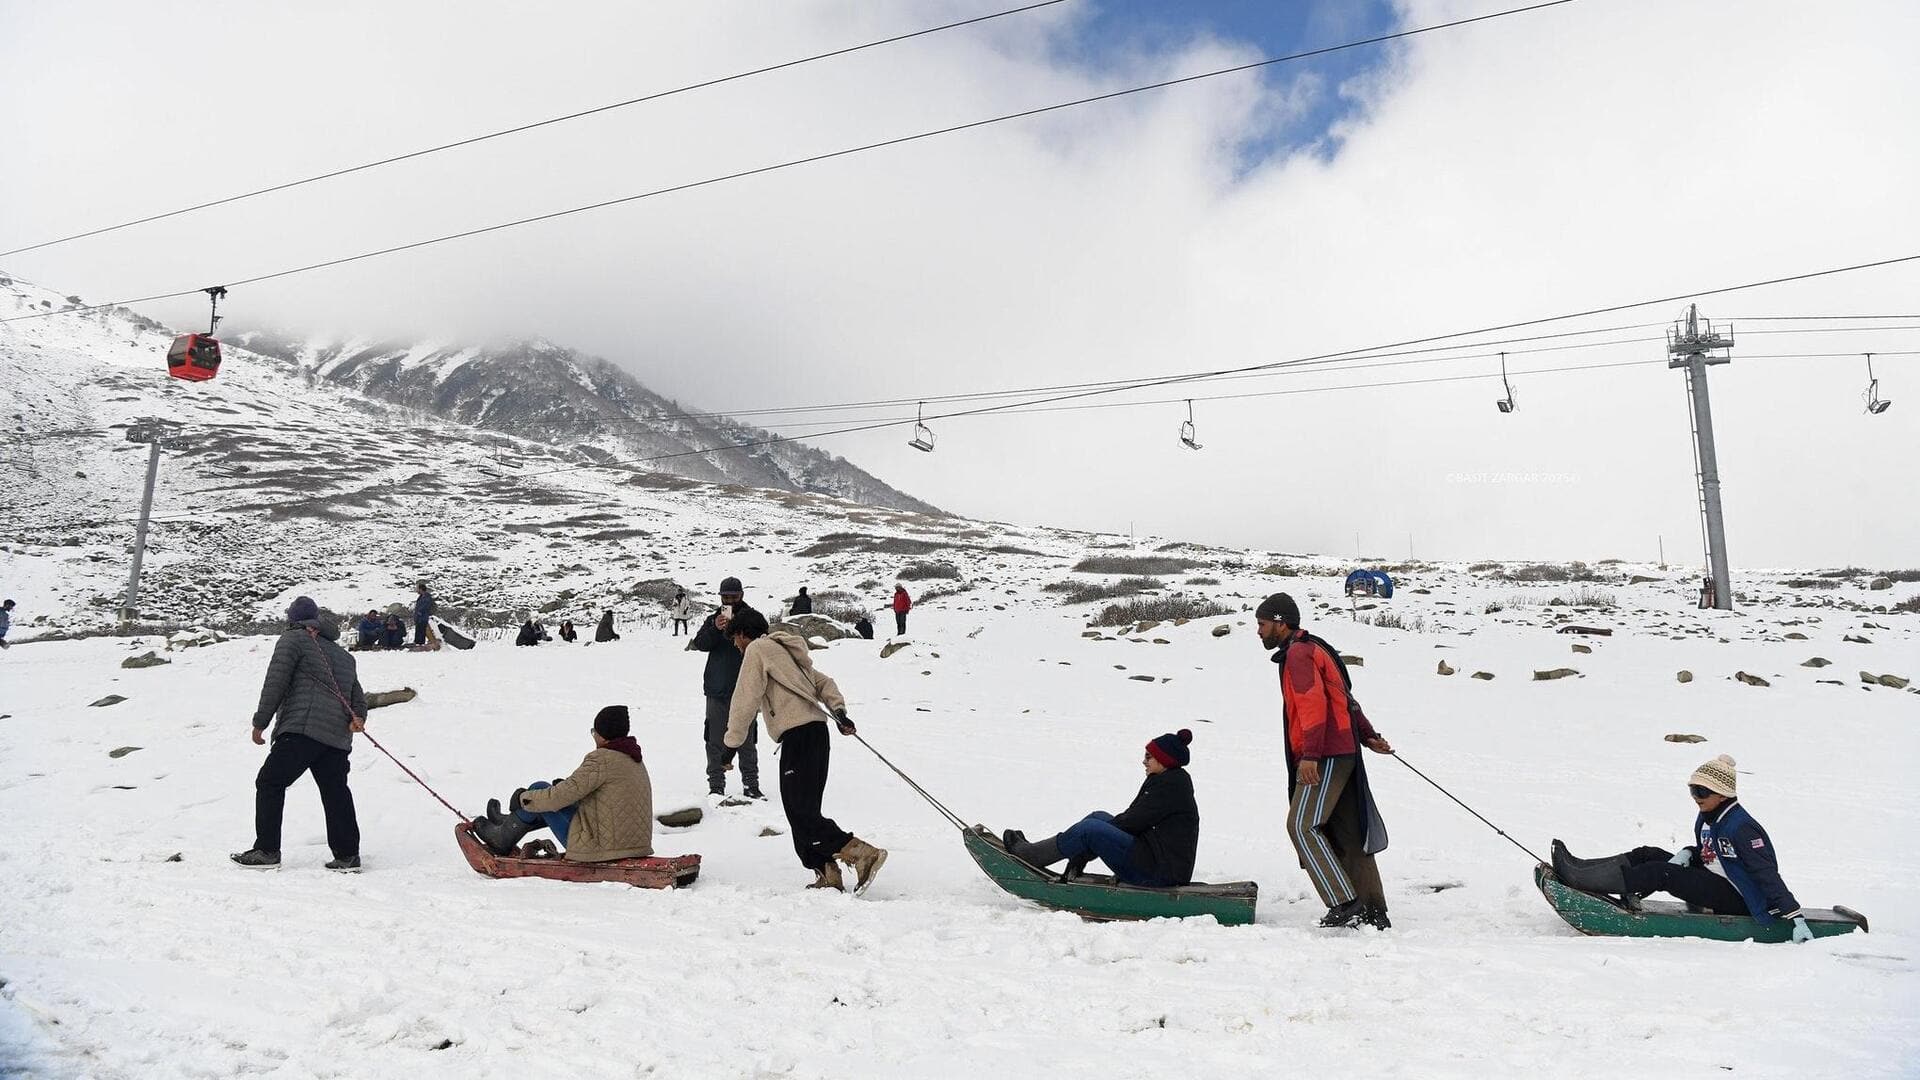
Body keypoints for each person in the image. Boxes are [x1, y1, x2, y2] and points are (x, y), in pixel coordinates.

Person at [1551, 754, 1813, 942]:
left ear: (1722, 795)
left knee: (1660, 872)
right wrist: (1690, 852)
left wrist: (1795, 916)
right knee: (1649, 854)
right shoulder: (1709, 817)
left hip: (1740, 899)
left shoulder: (1742, 828)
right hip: (1718, 880)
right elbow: (1714, 854)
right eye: (1692, 790)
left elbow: (1765, 874)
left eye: (1701, 792)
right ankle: (1581, 869)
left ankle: (1584, 881)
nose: (1696, 798)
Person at [1257, 592, 1395, 929]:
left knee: (1302, 826)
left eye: (1262, 624)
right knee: (1348, 833)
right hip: (1343, 750)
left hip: (1327, 755)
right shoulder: (1315, 647)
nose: (1258, 631)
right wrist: (1367, 735)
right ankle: (1374, 910)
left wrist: (1311, 756)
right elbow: (1345, 699)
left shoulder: (1300, 655)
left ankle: (1345, 902)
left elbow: (1312, 707)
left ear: (1280, 622)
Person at [725, 607, 887, 892]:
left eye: (734, 639)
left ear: (741, 633)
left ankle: (861, 853)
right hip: (816, 734)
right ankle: (826, 872)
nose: (735, 645)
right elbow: (824, 682)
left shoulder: (758, 649)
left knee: (800, 811)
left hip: (798, 736)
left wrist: (730, 745)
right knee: (801, 809)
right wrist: (839, 712)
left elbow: (744, 699)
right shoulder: (786, 652)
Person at [231, 596, 367, 872]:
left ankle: (266, 850)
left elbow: (275, 682)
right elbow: (357, 697)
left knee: (270, 782)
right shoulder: (343, 655)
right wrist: (359, 718)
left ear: (292, 619)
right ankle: (347, 855)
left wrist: (260, 722)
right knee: (335, 791)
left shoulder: (292, 640)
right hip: (337, 738)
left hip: (302, 727)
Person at [1001, 730, 1199, 887]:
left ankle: (1031, 856)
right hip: (1154, 857)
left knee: (1090, 829)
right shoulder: (1167, 780)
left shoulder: (1170, 786)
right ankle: (1074, 864)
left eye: (1149, 757)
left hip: (1159, 872)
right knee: (1097, 818)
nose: (1144, 761)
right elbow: (1134, 819)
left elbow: (1133, 822)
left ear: (1163, 760)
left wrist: (1093, 837)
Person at [470, 705, 655, 861]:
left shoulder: (601, 759)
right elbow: (605, 797)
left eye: (594, 732)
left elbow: (558, 798)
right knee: (546, 794)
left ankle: (503, 837)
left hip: (600, 848)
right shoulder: (631, 758)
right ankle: (509, 823)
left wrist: (522, 799)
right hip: (633, 844)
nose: (594, 737)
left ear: (604, 736)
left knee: (539, 789)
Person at [691, 578, 761, 803]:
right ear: (720, 596)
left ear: (742, 594)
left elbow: (763, 645)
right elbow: (701, 644)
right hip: (717, 688)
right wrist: (715, 628)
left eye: (734, 596)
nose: (730, 600)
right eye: (726, 596)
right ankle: (716, 785)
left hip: (746, 687)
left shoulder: (752, 618)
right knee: (714, 738)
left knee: (747, 739)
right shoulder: (714, 618)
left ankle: (751, 784)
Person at [413, 583, 437, 648]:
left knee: (422, 631)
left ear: (421, 589)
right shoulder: (421, 597)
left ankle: (420, 644)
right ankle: (417, 643)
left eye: (417, 588)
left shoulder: (427, 597)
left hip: (423, 617)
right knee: (418, 630)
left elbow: (425, 606)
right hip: (419, 618)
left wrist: (420, 612)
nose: (416, 590)